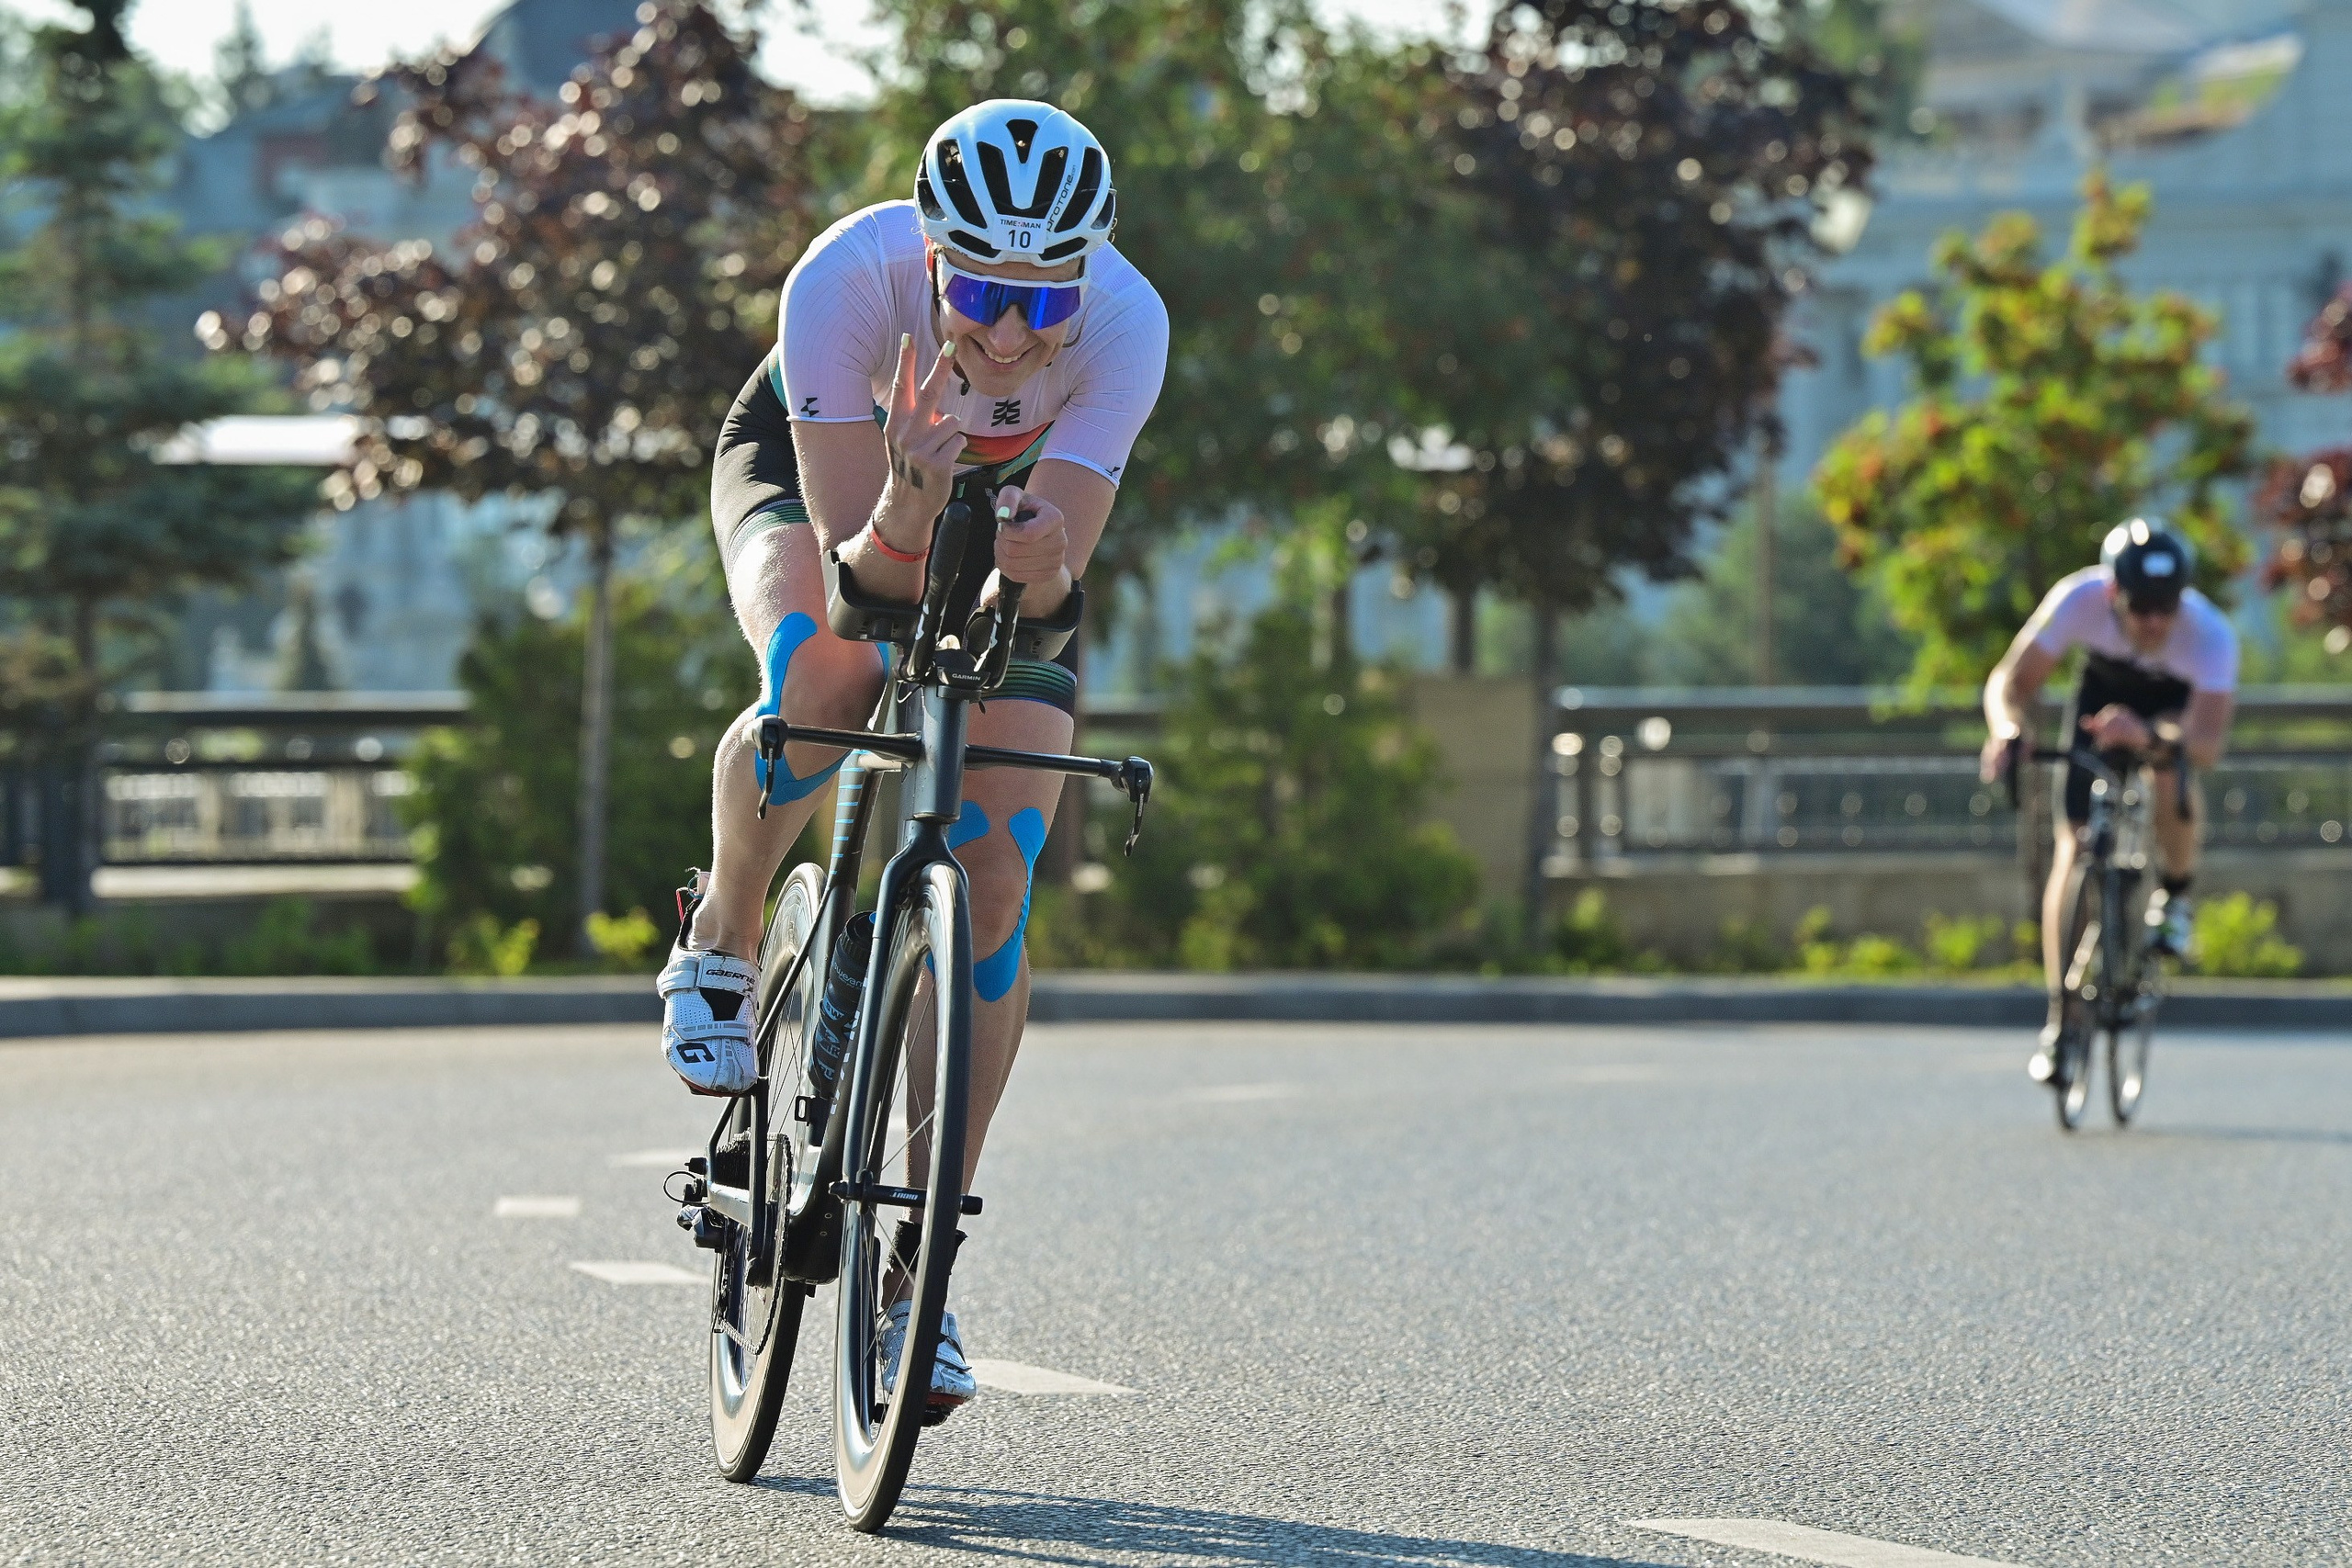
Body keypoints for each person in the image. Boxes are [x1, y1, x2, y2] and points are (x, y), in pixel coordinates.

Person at [658, 101, 1167, 1412]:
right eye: (985, 291)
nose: (1009, 332)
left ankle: (918, 1275)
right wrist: (905, 493)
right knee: (826, 678)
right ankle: (720, 926)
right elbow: (856, 588)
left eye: (1042, 302)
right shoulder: (845, 283)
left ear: (1084, 283)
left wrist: (1041, 560)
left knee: (996, 876)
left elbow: (1050, 591)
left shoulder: (1126, 324)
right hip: (830, 479)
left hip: (999, 525)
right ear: (937, 258)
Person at [1979, 518, 2238, 1082]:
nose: (2153, 622)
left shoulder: (2209, 634)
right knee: (2073, 850)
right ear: (2113, 593)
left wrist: (2148, 737)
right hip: (2099, 703)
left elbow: (2208, 744)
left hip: (2166, 716)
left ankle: (2174, 895)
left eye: (2165, 608)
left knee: (2173, 775)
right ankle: (2061, 1017)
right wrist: (2007, 729)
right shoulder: (2078, 599)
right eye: (2141, 606)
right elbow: (2011, 682)